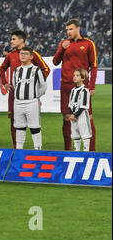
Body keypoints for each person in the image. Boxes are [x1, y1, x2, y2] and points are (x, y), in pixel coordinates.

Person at [0, 29, 50, 148]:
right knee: (14, 122)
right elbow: (2, 69)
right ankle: (16, 147)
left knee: (34, 125)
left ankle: (37, 149)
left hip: (30, 99)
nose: (11, 41)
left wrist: (34, 85)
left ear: (22, 40)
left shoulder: (31, 53)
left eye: (14, 39)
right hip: (16, 96)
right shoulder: (11, 55)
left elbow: (46, 69)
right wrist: (5, 83)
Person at [52, 18, 97, 151]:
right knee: (67, 118)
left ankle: (91, 150)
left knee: (87, 117)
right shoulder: (64, 43)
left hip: (82, 87)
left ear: (78, 28)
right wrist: (62, 49)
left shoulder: (88, 44)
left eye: (71, 29)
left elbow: (94, 66)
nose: (68, 32)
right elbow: (55, 61)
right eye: (67, 30)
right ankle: (67, 150)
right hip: (66, 86)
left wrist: (92, 86)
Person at [11, 46, 47, 150]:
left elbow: (43, 85)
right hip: (17, 103)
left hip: (32, 102)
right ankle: (19, 149)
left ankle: (38, 149)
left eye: (25, 54)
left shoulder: (36, 70)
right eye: (21, 53)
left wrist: (35, 95)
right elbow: (14, 85)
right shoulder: (16, 70)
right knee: (19, 127)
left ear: (31, 56)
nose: (22, 55)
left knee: (34, 126)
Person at [68, 68, 92, 152]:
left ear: (83, 78)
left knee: (85, 136)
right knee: (75, 136)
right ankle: (76, 153)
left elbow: (83, 106)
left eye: (77, 75)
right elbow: (70, 104)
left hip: (81, 116)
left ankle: (86, 153)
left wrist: (74, 115)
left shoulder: (85, 90)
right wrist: (71, 114)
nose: (75, 77)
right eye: (74, 75)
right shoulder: (73, 90)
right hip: (73, 116)